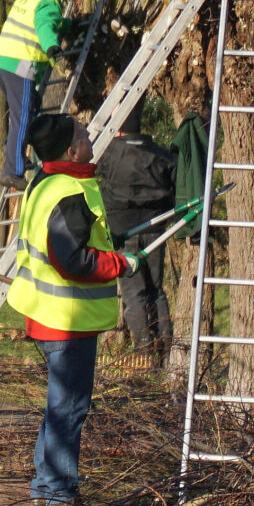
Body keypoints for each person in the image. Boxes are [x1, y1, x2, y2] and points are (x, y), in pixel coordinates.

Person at [4, 112, 129, 506]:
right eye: (84, 135)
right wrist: (118, 265)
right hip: (66, 317)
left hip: (48, 312)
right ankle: (58, 494)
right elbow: (72, 259)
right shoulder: (67, 190)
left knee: (60, 405)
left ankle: (44, 487)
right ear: (71, 149)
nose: (91, 138)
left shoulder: (44, 182)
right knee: (69, 408)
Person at [95, 114, 179, 363]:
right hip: (155, 229)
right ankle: (165, 342)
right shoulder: (161, 154)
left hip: (122, 231)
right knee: (156, 289)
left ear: (118, 131)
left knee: (133, 291)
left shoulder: (109, 153)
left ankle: (143, 348)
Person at [0, 0, 80, 186]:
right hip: (20, 62)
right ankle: (14, 171)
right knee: (23, 117)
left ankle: (13, 149)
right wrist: (51, 46)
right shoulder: (49, 1)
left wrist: (70, 26)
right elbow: (44, 24)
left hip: (1, 59)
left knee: (29, 109)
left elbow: (47, 20)